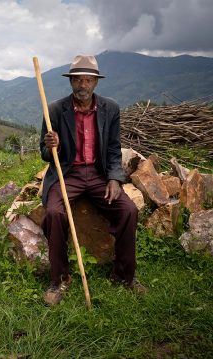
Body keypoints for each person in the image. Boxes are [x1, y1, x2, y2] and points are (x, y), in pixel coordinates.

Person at [40, 54, 147, 305]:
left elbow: (113, 148)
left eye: (88, 80)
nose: (83, 85)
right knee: (54, 213)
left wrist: (114, 178)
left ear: (96, 82)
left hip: (98, 175)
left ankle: (123, 276)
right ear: (71, 82)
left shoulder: (110, 109)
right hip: (68, 174)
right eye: (78, 79)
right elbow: (44, 154)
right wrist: (50, 145)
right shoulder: (54, 109)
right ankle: (59, 280)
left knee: (128, 210)